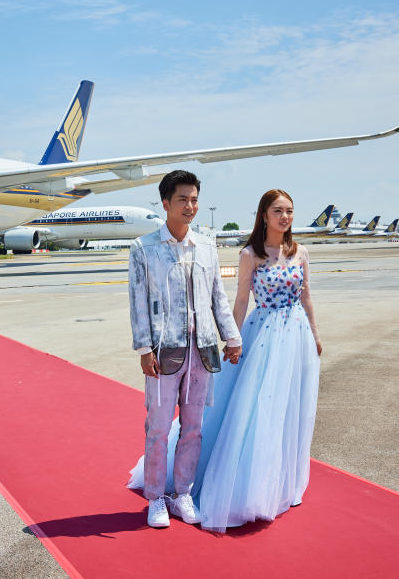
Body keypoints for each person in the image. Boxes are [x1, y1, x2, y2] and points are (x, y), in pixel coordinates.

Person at [127, 188, 322, 533]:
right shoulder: (247, 254)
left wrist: (315, 335)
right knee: (171, 424)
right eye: (279, 210)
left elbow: (302, 296)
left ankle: (282, 484)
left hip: (295, 339)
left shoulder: (297, 252)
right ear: (264, 214)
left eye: (290, 211)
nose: (286, 217)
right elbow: (237, 300)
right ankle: (160, 495)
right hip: (254, 339)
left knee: (289, 412)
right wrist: (146, 348)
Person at [127, 170, 242, 529]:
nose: (190, 206)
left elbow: (217, 298)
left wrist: (232, 337)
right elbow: (138, 303)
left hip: (202, 351)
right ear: (165, 203)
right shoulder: (143, 248)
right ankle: (156, 498)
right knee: (158, 427)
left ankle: (183, 494)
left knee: (193, 427)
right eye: (183, 199)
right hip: (164, 352)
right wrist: (144, 348)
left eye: (194, 199)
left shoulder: (207, 246)